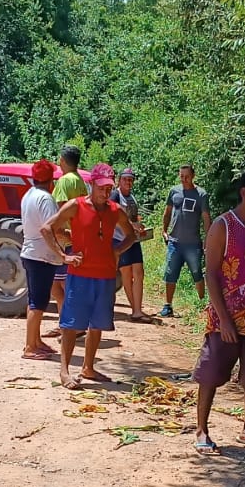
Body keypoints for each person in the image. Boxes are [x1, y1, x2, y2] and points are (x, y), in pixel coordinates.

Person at [194, 169, 245, 453]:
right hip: (224, 314)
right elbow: (212, 275)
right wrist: (225, 320)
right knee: (212, 370)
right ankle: (202, 429)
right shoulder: (223, 226)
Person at [48, 164, 137, 389]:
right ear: (91, 184)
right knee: (70, 325)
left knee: (97, 324)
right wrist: (63, 255)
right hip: (80, 276)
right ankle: (64, 371)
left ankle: (88, 367)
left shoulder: (115, 210)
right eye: (101, 188)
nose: (105, 193)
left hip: (105, 277)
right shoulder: (75, 206)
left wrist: (116, 251)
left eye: (108, 188)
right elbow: (48, 228)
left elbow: (131, 234)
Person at [20, 158, 64, 360]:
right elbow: (51, 229)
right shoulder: (46, 199)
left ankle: (36, 341)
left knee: (36, 300)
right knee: (38, 303)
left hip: (31, 253)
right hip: (41, 256)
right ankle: (30, 346)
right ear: (51, 181)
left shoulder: (29, 195)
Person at [159, 164, 211, 317]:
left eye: (187, 176)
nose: (184, 179)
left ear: (193, 175)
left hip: (193, 243)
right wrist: (164, 230)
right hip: (174, 242)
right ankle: (168, 305)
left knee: (197, 273)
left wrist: (208, 239)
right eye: (181, 176)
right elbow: (167, 212)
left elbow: (206, 219)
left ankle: (202, 304)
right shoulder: (174, 191)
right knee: (170, 273)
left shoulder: (201, 194)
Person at [48, 145, 89, 326]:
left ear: (62, 161)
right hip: (77, 236)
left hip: (65, 239)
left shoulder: (65, 181)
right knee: (59, 286)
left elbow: (62, 207)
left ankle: (73, 325)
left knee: (62, 285)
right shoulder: (80, 181)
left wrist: (56, 229)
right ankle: (63, 323)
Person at [112, 167, 153, 322]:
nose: (128, 182)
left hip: (134, 239)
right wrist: (131, 224)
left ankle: (137, 309)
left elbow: (133, 218)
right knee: (127, 274)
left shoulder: (132, 197)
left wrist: (138, 225)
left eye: (130, 180)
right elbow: (113, 216)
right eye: (125, 179)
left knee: (139, 272)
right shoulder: (115, 195)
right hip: (120, 240)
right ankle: (135, 310)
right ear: (119, 180)